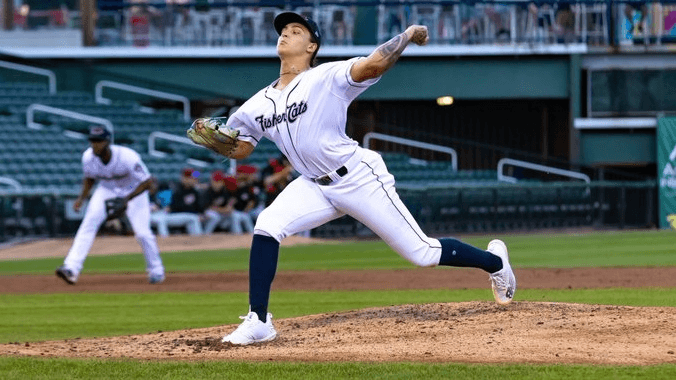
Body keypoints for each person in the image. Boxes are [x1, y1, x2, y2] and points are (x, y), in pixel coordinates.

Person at [206, 12, 515, 345]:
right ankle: (259, 321)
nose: (285, 34)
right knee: (267, 225)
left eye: (295, 31)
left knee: (422, 253)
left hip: (356, 177)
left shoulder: (326, 76)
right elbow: (242, 149)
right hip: (313, 185)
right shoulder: (256, 104)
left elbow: (372, 66)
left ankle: (496, 263)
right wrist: (218, 144)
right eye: (282, 30)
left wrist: (407, 35)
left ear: (311, 46)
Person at [55, 126, 165, 285]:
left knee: (142, 233)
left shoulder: (127, 156)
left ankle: (156, 270)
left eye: (99, 141)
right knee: (88, 224)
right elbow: (89, 178)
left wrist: (127, 199)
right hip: (107, 189)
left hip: (134, 190)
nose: (95, 144)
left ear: (107, 142)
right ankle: (71, 268)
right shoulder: (88, 157)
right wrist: (81, 198)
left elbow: (147, 182)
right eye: (92, 140)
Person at [153, 168, 205, 237]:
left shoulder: (194, 191)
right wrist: (194, 212)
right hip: (171, 215)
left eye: (193, 178)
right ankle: (165, 242)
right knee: (193, 218)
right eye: (191, 178)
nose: (194, 180)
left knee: (193, 219)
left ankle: (198, 241)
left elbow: (198, 206)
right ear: (184, 178)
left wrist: (200, 213)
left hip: (185, 215)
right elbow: (176, 207)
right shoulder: (177, 189)